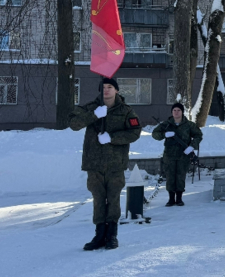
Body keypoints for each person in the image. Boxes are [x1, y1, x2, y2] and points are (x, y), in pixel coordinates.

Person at [69, 77, 141, 251]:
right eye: (104, 87)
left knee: (113, 198)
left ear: (116, 90)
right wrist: (94, 115)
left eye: (110, 87)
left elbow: (135, 132)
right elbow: (73, 123)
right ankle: (99, 234)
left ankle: (112, 235)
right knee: (98, 199)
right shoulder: (90, 107)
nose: (106, 90)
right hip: (94, 163)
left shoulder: (126, 111)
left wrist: (112, 138)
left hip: (116, 164)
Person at [151, 102, 203, 207]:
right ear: (171, 112)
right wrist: (164, 134)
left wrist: (191, 147)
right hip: (169, 155)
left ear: (182, 112)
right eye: (174, 110)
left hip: (183, 156)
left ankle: (179, 198)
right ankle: (171, 199)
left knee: (180, 176)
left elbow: (198, 135)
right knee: (170, 177)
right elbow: (155, 134)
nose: (176, 112)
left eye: (178, 110)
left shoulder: (189, 125)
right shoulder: (166, 124)